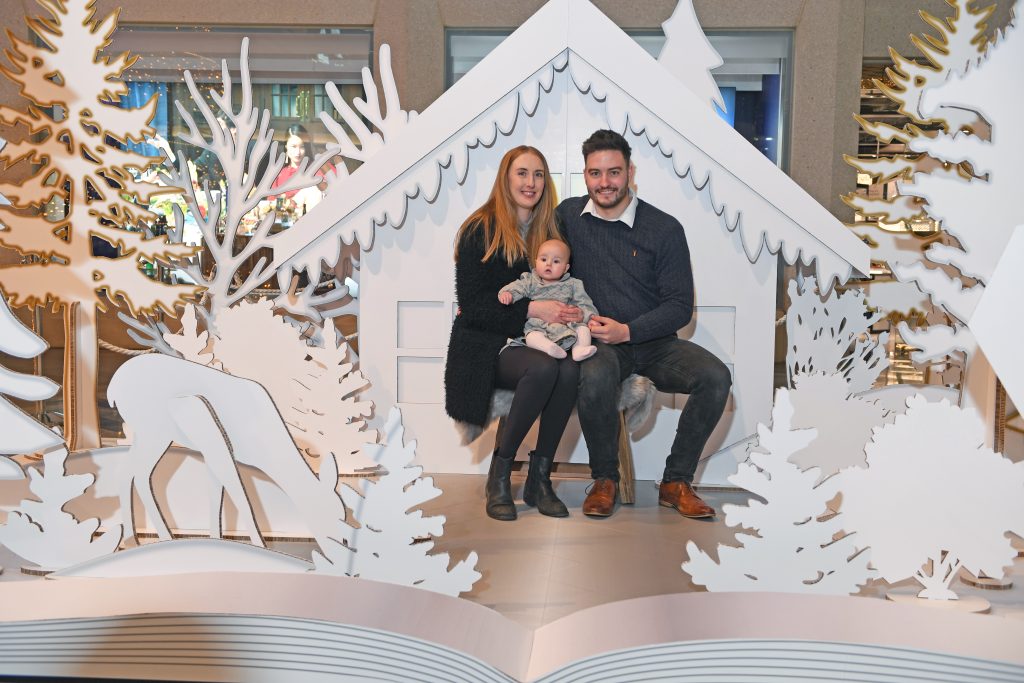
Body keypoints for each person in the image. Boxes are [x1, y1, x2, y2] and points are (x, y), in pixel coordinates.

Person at [555, 129, 732, 519]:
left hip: (653, 343)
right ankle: (604, 480)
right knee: (596, 374)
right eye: (595, 173)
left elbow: (680, 306)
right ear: (584, 175)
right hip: (600, 343)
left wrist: (629, 331)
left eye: (614, 172)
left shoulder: (664, 229)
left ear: (630, 172)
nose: (605, 183)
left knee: (716, 377)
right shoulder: (567, 216)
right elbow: (540, 260)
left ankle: (675, 481)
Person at [445, 146, 579, 521]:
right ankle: (500, 475)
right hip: (488, 341)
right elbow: (474, 305)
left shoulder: (550, 231)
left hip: (541, 337)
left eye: (538, 174)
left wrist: (573, 313)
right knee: (543, 369)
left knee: (568, 369)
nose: (530, 183)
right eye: (522, 173)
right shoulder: (479, 229)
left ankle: (540, 478)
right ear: (506, 177)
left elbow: (568, 286)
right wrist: (532, 309)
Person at [498, 239, 598, 361]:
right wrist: (507, 294)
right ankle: (549, 348)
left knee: (583, 329)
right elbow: (516, 288)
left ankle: (579, 349)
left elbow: (584, 303)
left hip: (566, 325)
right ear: (536, 262)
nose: (548, 264)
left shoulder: (573, 284)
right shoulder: (530, 281)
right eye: (544, 259)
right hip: (539, 325)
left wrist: (590, 318)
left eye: (556, 261)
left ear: (566, 268)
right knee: (531, 336)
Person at [270, 124, 336, 207]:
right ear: (286, 147)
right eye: (293, 146)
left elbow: (339, 188)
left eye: (302, 147)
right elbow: (271, 204)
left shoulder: (320, 167)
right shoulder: (279, 174)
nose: (298, 152)